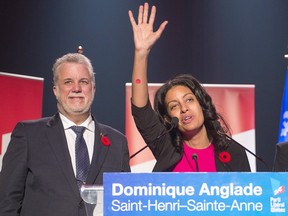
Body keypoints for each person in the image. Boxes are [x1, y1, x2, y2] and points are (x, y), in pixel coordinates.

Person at [0, 53, 131, 216]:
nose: (76, 88)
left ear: (93, 88)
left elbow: (126, 206)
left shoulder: (117, 142)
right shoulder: (28, 134)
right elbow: (7, 202)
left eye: (83, 82)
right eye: (68, 82)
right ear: (55, 90)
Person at [128, 2, 251, 172]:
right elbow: (141, 109)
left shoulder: (234, 152)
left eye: (189, 100)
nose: (184, 109)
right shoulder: (167, 147)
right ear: (168, 118)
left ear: (201, 104)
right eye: (174, 106)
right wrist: (141, 53)